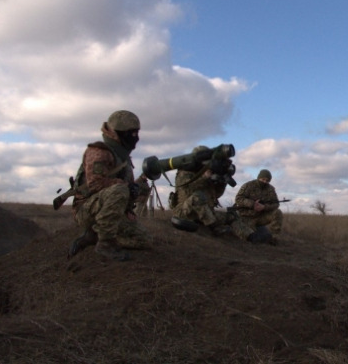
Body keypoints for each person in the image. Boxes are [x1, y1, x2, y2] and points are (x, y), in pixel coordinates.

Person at [68, 110, 150, 261]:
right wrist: (125, 186)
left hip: (107, 209)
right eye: (131, 133)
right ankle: (105, 244)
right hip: (86, 210)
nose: (135, 138)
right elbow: (95, 184)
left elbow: (123, 188)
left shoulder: (123, 158)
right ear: (117, 133)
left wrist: (137, 189)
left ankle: (94, 236)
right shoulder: (99, 152)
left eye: (136, 133)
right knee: (119, 189)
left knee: (143, 240)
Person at [170, 145, 234, 235]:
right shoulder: (184, 172)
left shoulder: (208, 173)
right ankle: (214, 227)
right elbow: (187, 188)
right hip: (184, 212)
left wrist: (222, 182)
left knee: (232, 216)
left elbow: (216, 195)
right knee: (197, 196)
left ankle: (249, 237)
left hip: (203, 213)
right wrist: (204, 177)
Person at [233, 169, 283, 244]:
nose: (265, 182)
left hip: (260, 217)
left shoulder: (270, 189)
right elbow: (238, 199)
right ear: (258, 178)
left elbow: (276, 204)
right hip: (247, 217)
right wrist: (252, 204)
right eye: (263, 179)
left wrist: (264, 207)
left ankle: (274, 238)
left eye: (267, 180)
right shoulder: (248, 185)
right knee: (249, 236)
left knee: (277, 212)